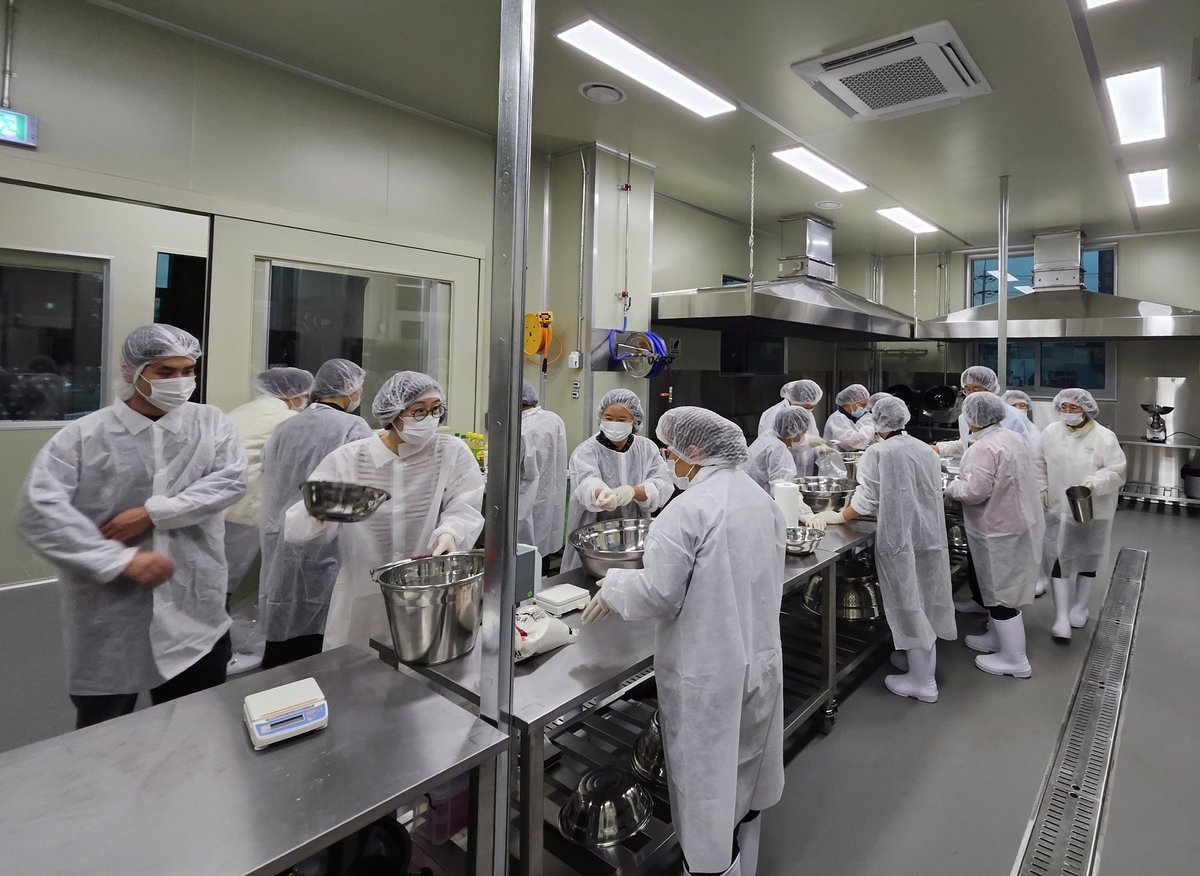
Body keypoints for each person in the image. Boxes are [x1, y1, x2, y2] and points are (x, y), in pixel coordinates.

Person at [581, 407, 785, 876]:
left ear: (693, 451)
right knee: (746, 772)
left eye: (670, 451)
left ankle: (711, 866)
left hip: (706, 671)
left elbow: (659, 593)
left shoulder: (688, 509)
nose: (668, 460)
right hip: (758, 657)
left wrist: (614, 588)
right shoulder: (759, 498)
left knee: (707, 787)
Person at [19, 324, 247, 728]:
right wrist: (119, 561)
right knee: (104, 733)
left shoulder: (212, 424)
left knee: (196, 727)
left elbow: (229, 481)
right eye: (166, 372)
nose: (181, 382)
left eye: (188, 370)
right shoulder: (84, 436)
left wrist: (152, 512)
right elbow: (40, 512)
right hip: (111, 610)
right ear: (132, 372)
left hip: (196, 605)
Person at [285, 371, 484, 651]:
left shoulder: (449, 452)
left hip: (426, 588)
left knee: (420, 664)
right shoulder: (351, 459)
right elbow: (298, 528)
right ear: (393, 413)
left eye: (436, 409)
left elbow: (464, 504)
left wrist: (451, 533)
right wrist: (321, 508)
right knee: (357, 664)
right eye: (418, 411)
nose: (429, 419)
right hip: (362, 589)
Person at [815, 397, 956, 703]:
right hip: (928, 535)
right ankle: (916, 663)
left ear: (878, 421)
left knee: (908, 603)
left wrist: (837, 516)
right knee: (925, 599)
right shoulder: (924, 449)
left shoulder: (878, 452)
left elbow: (866, 501)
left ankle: (923, 682)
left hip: (899, 538)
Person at [258, 359, 374, 669]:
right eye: (360, 387)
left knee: (285, 626)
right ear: (348, 387)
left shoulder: (285, 426)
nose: (360, 393)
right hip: (327, 540)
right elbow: (366, 485)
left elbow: (269, 473)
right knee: (322, 629)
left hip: (281, 539)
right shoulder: (353, 427)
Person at [945, 393, 1043, 678]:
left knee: (1000, 593)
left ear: (972, 418)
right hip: (1016, 522)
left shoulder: (984, 447)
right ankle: (996, 639)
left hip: (997, 528)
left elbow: (974, 492)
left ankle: (1015, 660)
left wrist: (951, 488)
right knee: (999, 588)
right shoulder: (1010, 438)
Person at [1035, 388, 1127, 642]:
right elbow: (1038, 463)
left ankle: (1080, 607)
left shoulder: (1104, 437)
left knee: (1089, 558)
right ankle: (1061, 617)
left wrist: (1093, 483)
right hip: (1056, 508)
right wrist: (1041, 487)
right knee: (1057, 557)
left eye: (1073, 408)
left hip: (1093, 509)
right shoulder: (1050, 432)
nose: (1067, 412)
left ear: (1086, 409)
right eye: (1063, 407)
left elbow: (1117, 471)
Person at [223, 367, 315, 594]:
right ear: (291, 392)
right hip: (244, 502)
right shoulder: (285, 418)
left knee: (215, 570)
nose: (306, 401)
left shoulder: (248, 409)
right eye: (305, 395)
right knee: (225, 576)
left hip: (220, 498)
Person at [562, 388, 673, 571]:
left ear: (635, 421)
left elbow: (661, 483)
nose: (614, 424)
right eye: (609, 418)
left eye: (622, 420)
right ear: (601, 417)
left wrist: (633, 491)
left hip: (635, 536)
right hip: (593, 537)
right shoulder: (586, 451)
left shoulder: (646, 449)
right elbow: (586, 482)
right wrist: (601, 494)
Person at [743, 406, 826, 530]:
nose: (804, 436)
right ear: (794, 431)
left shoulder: (768, 436)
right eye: (803, 432)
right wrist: (807, 515)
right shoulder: (778, 450)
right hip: (755, 508)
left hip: (748, 500)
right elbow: (784, 490)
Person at [517, 379, 569, 568]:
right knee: (541, 552)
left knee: (522, 556)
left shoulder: (519, 427)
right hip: (548, 499)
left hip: (523, 501)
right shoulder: (553, 419)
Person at [934, 366, 1038, 459]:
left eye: (976, 389)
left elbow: (1027, 451)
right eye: (967, 390)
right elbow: (967, 444)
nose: (971, 394)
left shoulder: (1013, 416)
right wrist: (939, 449)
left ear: (991, 389)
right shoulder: (966, 416)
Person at [822, 384, 876, 450]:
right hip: (833, 456)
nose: (864, 409)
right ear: (851, 402)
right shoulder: (837, 418)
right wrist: (870, 428)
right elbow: (850, 443)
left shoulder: (848, 418)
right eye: (862, 405)